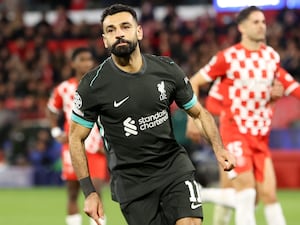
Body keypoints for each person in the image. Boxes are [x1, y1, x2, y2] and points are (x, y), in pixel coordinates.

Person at [68, 4, 235, 225]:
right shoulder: (93, 85)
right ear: (105, 40)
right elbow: (75, 138)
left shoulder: (166, 69)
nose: (118, 33)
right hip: (131, 181)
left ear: (139, 31)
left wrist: (218, 146)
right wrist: (89, 192)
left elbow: (199, 113)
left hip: (173, 167)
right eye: (111, 30)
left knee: (190, 222)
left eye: (125, 26)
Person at [186, 6, 300, 225]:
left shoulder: (271, 58)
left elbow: (291, 87)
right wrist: (192, 117)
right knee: (246, 194)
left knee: (266, 195)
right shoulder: (228, 58)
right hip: (234, 132)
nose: (262, 26)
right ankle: (204, 195)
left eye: (263, 22)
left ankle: (203, 194)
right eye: (256, 22)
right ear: (242, 27)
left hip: (260, 137)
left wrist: (274, 96)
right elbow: (194, 81)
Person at [46, 47, 107, 225]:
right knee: (72, 193)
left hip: (96, 147)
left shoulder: (101, 86)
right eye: (82, 59)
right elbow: (51, 110)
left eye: (89, 59)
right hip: (73, 146)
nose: (87, 63)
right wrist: (55, 131)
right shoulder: (64, 88)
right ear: (73, 63)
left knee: (96, 191)